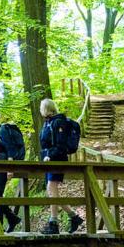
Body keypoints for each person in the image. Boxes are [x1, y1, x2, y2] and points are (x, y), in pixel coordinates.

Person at [38, 99, 84, 235]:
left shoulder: (58, 122)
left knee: (51, 188)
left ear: (46, 109)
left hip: (56, 159)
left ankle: (54, 223)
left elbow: (61, 145)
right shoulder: (48, 123)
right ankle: (73, 217)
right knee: (52, 191)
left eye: (42, 108)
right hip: (49, 160)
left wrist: (50, 155)